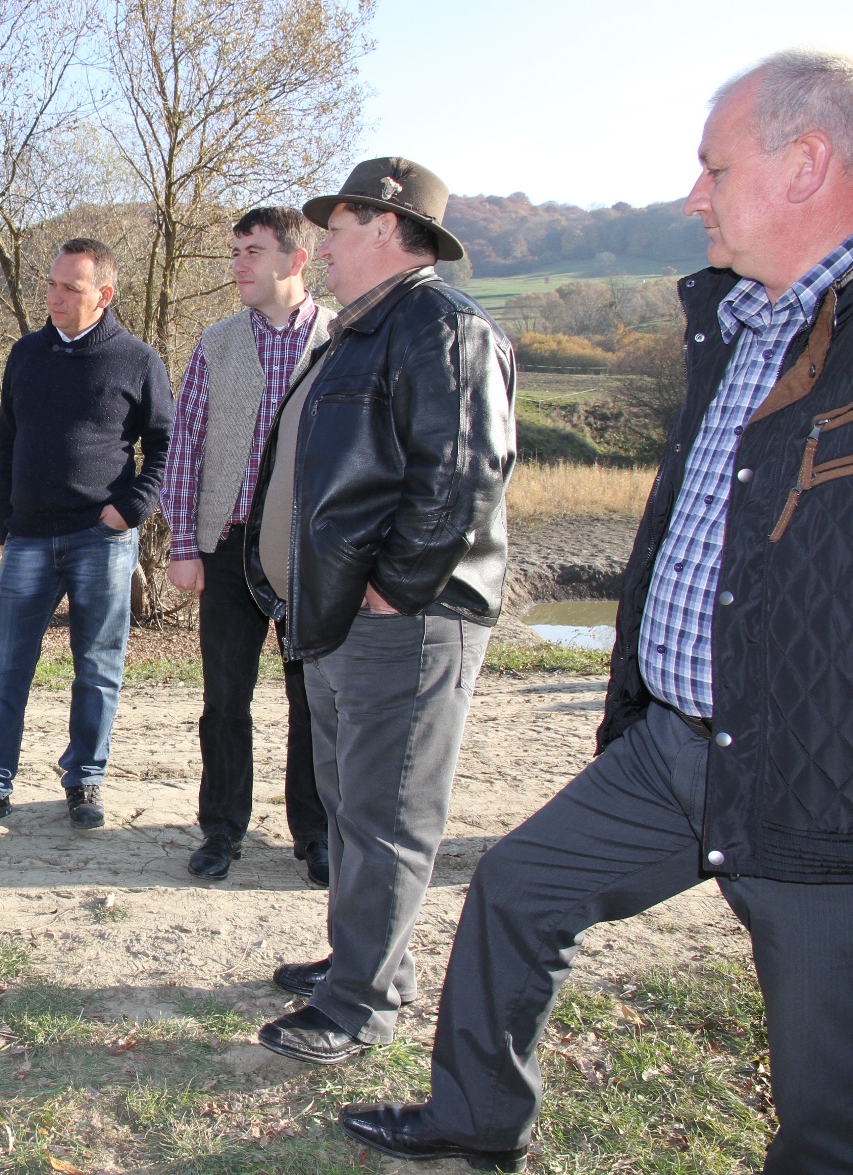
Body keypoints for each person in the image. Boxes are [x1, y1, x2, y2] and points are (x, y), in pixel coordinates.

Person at [343, 50, 853, 1174]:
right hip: (674, 747)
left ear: (805, 163)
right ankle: (475, 1120)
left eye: (713, 169)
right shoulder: (739, 323)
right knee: (515, 889)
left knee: (828, 1097)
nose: (692, 197)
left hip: (818, 775)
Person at [242, 159, 516, 1066]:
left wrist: (392, 588)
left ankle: (360, 1007)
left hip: (407, 617)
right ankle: (363, 963)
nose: (321, 247)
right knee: (352, 803)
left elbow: (462, 472)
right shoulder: (361, 329)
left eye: (337, 229)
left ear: (388, 228)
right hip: (341, 616)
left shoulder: (442, 325)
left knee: (387, 814)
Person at [0, 239, 172, 833]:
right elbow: (7, 439)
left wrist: (131, 510)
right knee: (3, 667)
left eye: (71, 287)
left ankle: (85, 781)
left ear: (104, 295)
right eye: (51, 283)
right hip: (29, 539)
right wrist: (7, 517)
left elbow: (167, 447)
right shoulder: (25, 354)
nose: (55, 296)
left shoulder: (138, 360)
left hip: (102, 538)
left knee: (97, 667)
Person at [161, 207, 334, 883]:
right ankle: (221, 829)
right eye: (234, 251)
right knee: (225, 699)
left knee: (312, 699)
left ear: (296, 259)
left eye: (252, 251)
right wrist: (183, 542)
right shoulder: (218, 342)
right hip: (227, 547)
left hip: (310, 553)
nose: (237, 264)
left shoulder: (343, 339)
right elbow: (185, 447)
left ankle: (315, 834)